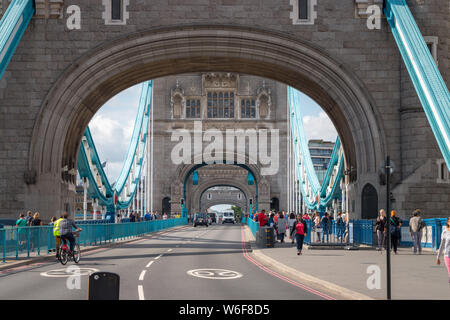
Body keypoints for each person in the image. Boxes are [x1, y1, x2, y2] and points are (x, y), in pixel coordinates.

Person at [436, 217, 450, 283]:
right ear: (448, 222)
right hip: (447, 255)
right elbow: (441, 245)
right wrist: (438, 257)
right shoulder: (445, 232)